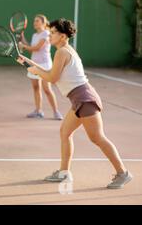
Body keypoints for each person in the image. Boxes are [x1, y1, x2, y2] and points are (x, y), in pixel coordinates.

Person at [18, 18, 132, 189]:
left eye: (54, 32)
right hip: (79, 100)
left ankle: (123, 173)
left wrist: (35, 71)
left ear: (63, 36)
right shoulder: (64, 50)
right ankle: (64, 173)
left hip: (85, 99)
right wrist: (29, 62)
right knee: (65, 132)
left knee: (97, 138)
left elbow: (52, 78)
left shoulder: (62, 52)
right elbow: (50, 72)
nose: (50, 35)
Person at [19, 15, 63, 120]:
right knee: (36, 88)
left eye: (37, 21)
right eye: (34, 21)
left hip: (44, 65)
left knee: (47, 89)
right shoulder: (35, 35)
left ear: (43, 23)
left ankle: (56, 112)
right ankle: (38, 111)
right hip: (34, 64)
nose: (35, 22)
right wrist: (22, 39)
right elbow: (30, 45)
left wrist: (23, 47)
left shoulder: (46, 34)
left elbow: (36, 48)